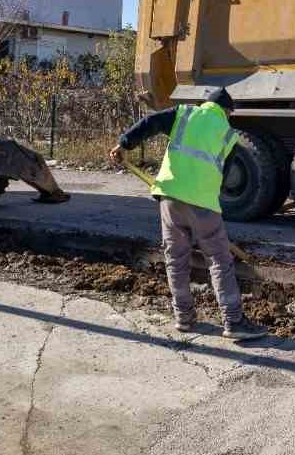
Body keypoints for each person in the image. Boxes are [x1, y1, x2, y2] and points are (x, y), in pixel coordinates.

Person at [110, 88, 266, 342]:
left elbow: (150, 122)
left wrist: (124, 143)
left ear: (205, 104)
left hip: (170, 198)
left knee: (175, 258)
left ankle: (184, 317)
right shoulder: (229, 136)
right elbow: (224, 179)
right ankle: (233, 320)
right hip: (204, 205)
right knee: (218, 260)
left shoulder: (184, 114)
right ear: (226, 111)